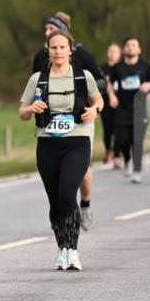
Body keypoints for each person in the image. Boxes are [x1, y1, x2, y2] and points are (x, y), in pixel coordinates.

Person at [19, 29, 104, 271]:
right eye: (53, 47)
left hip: (77, 140)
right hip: (47, 144)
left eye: (62, 47)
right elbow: (22, 112)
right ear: (48, 51)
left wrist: (94, 110)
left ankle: (73, 250)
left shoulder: (83, 76)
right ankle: (61, 248)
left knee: (68, 192)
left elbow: (98, 100)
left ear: (70, 50)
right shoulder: (38, 79)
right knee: (55, 202)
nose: (58, 51)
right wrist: (31, 109)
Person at [32, 13, 105, 230]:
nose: (47, 32)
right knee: (57, 178)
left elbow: (101, 80)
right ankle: (62, 211)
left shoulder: (83, 56)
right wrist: (36, 108)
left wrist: (90, 103)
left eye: (52, 28)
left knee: (81, 167)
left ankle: (85, 204)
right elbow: (35, 86)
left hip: (80, 119)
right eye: (46, 30)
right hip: (51, 123)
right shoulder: (40, 58)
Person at [106, 37, 150, 183]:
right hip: (122, 109)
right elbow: (110, 83)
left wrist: (149, 85)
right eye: (128, 45)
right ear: (124, 49)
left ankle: (137, 170)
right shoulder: (118, 67)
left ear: (139, 49)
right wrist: (112, 96)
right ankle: (127, 159)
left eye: (134, 45)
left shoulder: (145, 66)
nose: (130, 47)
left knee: (137, 140)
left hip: (139, 109)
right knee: (122, 140)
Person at [101, 43, 122, 168]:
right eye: (110, 51)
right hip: (106, 101)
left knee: (118, 128)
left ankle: (117, 154)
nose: (113, 53)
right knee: (108, 128)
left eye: (115, 51)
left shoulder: (122, 67)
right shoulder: (102, 68)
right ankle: (108, 150)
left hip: (121, 102)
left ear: (120, 54)